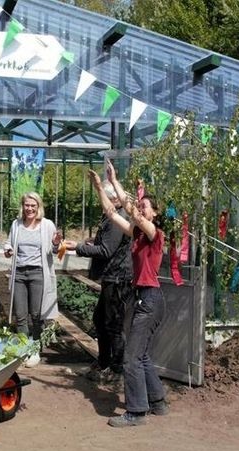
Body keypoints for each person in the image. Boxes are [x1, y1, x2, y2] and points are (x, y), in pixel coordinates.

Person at [88, 165, 169, 428]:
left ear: (154, 213)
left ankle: (136, 411)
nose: (140, 208)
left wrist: (114, 180)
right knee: (142, 355)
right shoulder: (136, 236)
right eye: (140, 205)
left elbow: (129, 209)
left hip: (151, 299)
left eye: (145, 206)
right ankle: (157, 401)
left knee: (131, 357)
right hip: (142, 299)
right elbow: (113, 214)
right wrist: (101, 188)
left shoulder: (156, 234)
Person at [63, 178, 132, 384]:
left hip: (118, 277)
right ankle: (103, 362)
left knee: (112, 324)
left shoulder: (115, 220)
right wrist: (91, 242)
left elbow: (106, 250)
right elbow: (107, 245)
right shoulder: (112, 218)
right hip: (112, 275)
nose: (102, 203)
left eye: (105, 199)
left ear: (114, 200)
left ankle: (116, 368)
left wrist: (78, 247)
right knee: (101, 320)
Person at [3, 192, 61, 367]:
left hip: (38, 273)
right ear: (23, 206)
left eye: (33, 205)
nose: (29, 208)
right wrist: (8, 249)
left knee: (36, 314)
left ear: (38, 207)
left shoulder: (47, 225)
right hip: (19, 274)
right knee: (20, 315)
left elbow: (55, 250)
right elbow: (8, 243)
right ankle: (23, 349)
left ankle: (35, 348)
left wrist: (57, 242)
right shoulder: (16, 225)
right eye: (27, 205)